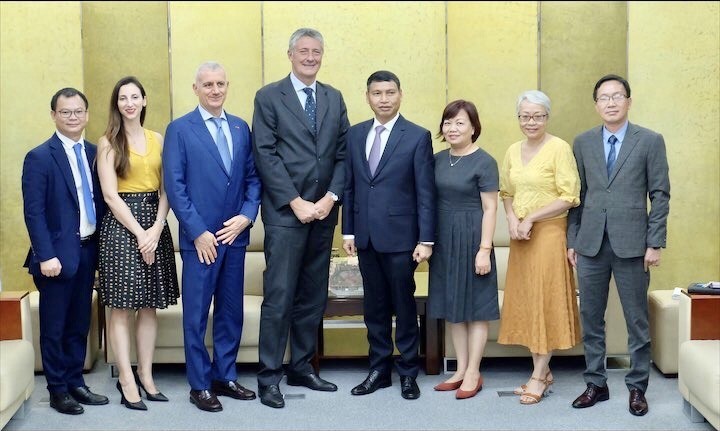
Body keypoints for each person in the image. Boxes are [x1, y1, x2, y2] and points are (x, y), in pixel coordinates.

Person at [252, 27, 349, 409]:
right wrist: (295, 201)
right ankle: (269, 376)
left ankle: (302, 366)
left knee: (313, 295)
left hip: (325, 212)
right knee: (279, 296)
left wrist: (330, 198)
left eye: (316, 51)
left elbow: (343, 154)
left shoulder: (333, 97)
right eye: (303, 51)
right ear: (290, 54)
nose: (310, 57)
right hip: (285, 214)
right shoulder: (268, 97)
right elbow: (265, 153)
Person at [568, 74, 670, 417]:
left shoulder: (650, 141)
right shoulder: (582, 142)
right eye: (604, 97)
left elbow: (660, 195)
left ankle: (637, 387)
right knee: (591, 318)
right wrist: (573, 240)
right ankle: (596, 383)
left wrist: (654, 243)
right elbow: (577, 197)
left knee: (636, 319)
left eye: (617, 96)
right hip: (591, 245)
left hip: (634, 245)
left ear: (628, 100)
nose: (610, 103)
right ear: (596, 104)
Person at [163, 61, 262, 412]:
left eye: (220, 83)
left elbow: (252, 179)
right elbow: (174, 186)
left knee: (230, 313)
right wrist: (198, 232)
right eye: (208, 85)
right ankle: (200, 384)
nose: (215, 90)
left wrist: (247, 217)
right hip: (200, 242)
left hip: (234, 238)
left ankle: (226, 375)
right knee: (196, 314)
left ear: (227, 85)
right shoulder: (179, 129)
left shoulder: (240, 128)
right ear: (195, 89)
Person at [342, 70, 436, 401]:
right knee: (374, 307)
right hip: (365, 237)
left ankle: (408, 372)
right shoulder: (354, 135)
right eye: (377, 93)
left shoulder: (417, 135)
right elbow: (350, 185)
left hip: (401, 239)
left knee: (403, 305)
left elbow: (425, 192)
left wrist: (426, 239)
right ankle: (379, 370)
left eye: (390, 92)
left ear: (400, 95)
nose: (384, 99)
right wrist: (348, 231)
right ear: (368, 97)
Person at [21, 87, 109, 415]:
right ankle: (57, 390)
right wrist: (46, 256)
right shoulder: (40, 157)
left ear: (86, 115)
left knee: (79, 324)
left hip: (87, 252)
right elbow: (34, 212)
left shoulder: (93, 152)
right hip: (55, 258)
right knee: (54, 327)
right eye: (65, 112)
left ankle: (76, 383)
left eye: (78, 111)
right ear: (54, 115)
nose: (73, 117)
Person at [96, 76, 179, 410]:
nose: (129, 103)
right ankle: (126, 378)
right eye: (122, 98)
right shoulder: (107, 142)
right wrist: (139, 232)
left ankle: (146, 375)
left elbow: (166, 189)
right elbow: (110, 196)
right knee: (121, 306)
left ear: (144, 101)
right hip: (121, 228)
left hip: (155, 224)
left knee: (149, 305)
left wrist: (157, 227)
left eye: (134, 97)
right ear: (116, 105)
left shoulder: (158, 138)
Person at [497, 90, 581, 405]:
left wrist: (531, 217)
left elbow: (569, 195)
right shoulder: (512, 150)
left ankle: (537, 377)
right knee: (529, 300)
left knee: (545, 300)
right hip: (522, 235)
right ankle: (542, 371)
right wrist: (512, 220)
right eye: (525, 116)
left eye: (538, 116)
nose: (531, 122)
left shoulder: (559, 148)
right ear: (519, 118)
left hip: (548, 233)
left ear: (547, 117)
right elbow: (505, 190)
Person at [428, 100, 499, 400]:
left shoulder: (485, 161)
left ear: (473, 127)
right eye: (448, 122)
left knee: (476, 308)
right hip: (444, 237)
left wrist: (484, 249)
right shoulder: (437, 159)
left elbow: (491, 207)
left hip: (473, 236)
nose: (452, 128)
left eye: (460, 123)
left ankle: (474, 372)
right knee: (453, 308)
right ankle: (459, 369)